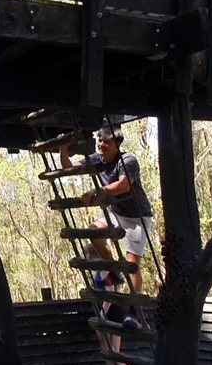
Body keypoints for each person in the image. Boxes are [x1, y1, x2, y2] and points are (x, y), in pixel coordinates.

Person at [60, 125, 153, 328]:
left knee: (132, 265)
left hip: (137, 217)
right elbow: (70, 168)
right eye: (100, 140)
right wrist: (63, 147)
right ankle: (112, 270)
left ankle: (133, 313)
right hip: (116, 213)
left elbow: (124, 185)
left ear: (117, 144)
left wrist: (97, 190)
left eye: (107, 142)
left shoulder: (127, 160)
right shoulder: (97, 160)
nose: (102, 145)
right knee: (94, 232)